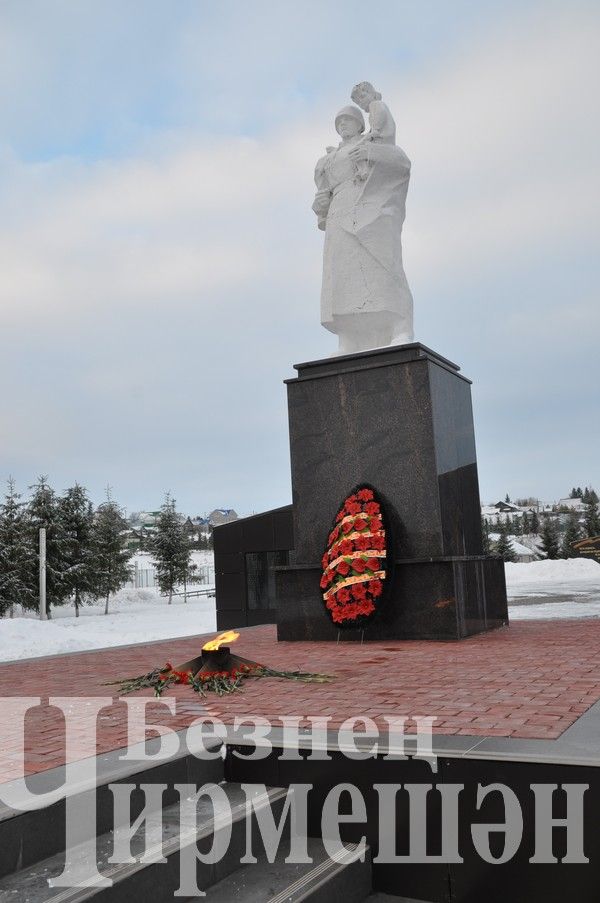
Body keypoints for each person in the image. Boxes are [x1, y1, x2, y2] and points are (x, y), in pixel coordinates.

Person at [312, 103, 413, 354]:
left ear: (360, 123)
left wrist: (370, 154)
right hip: (339, 212)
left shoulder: (372, 143)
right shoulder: (328, 159)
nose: (343, 124)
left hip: (369, 207)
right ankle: (350, 336)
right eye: (339, 122)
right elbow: (323, 193)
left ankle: (400, 327)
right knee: (343, 275)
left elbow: (400, 162)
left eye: (348, 119)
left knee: (381, 264)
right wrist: (321, 202)